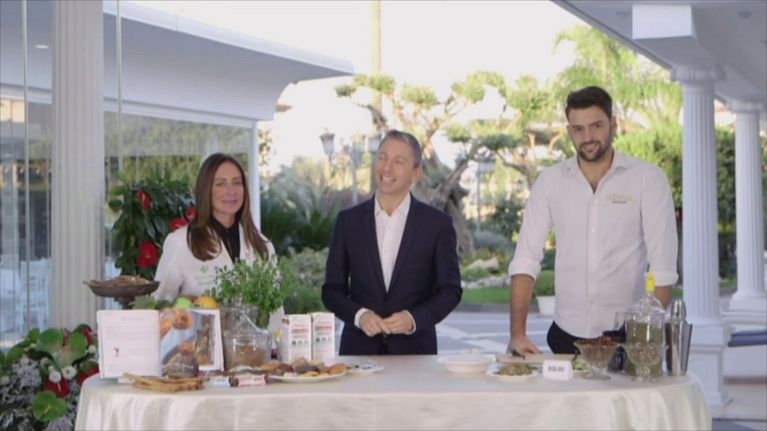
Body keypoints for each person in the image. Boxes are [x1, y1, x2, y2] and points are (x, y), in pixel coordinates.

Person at [507, 86, 678, 355]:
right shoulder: (550, 181)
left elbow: (663, 269)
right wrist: (517, 334)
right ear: (569, 131)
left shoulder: (648, 179)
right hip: (566, 336)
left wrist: (645, 341)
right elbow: (525, 259)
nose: (587, 137)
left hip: (627, 338)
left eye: (596, 126)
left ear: (613, 124)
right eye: (578, 129)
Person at [322, 130, 462, 355]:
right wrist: (360, 316)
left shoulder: (437, 225)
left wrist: (413, 319)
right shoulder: (348, 222)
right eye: (383, 157)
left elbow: (450, 290)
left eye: (399, 161)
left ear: (416, 173)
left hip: (415, 355)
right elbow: (331, 291)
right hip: (358, 354)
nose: (387, 168)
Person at [154, 153, 283, 330]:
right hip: (199, 346)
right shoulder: (181, 243)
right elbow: (160, 306)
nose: (231, 191)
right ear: (206, 190)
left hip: (254, 347)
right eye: (221, 183)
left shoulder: (262, 247)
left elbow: (275, 314)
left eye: (237, 182)